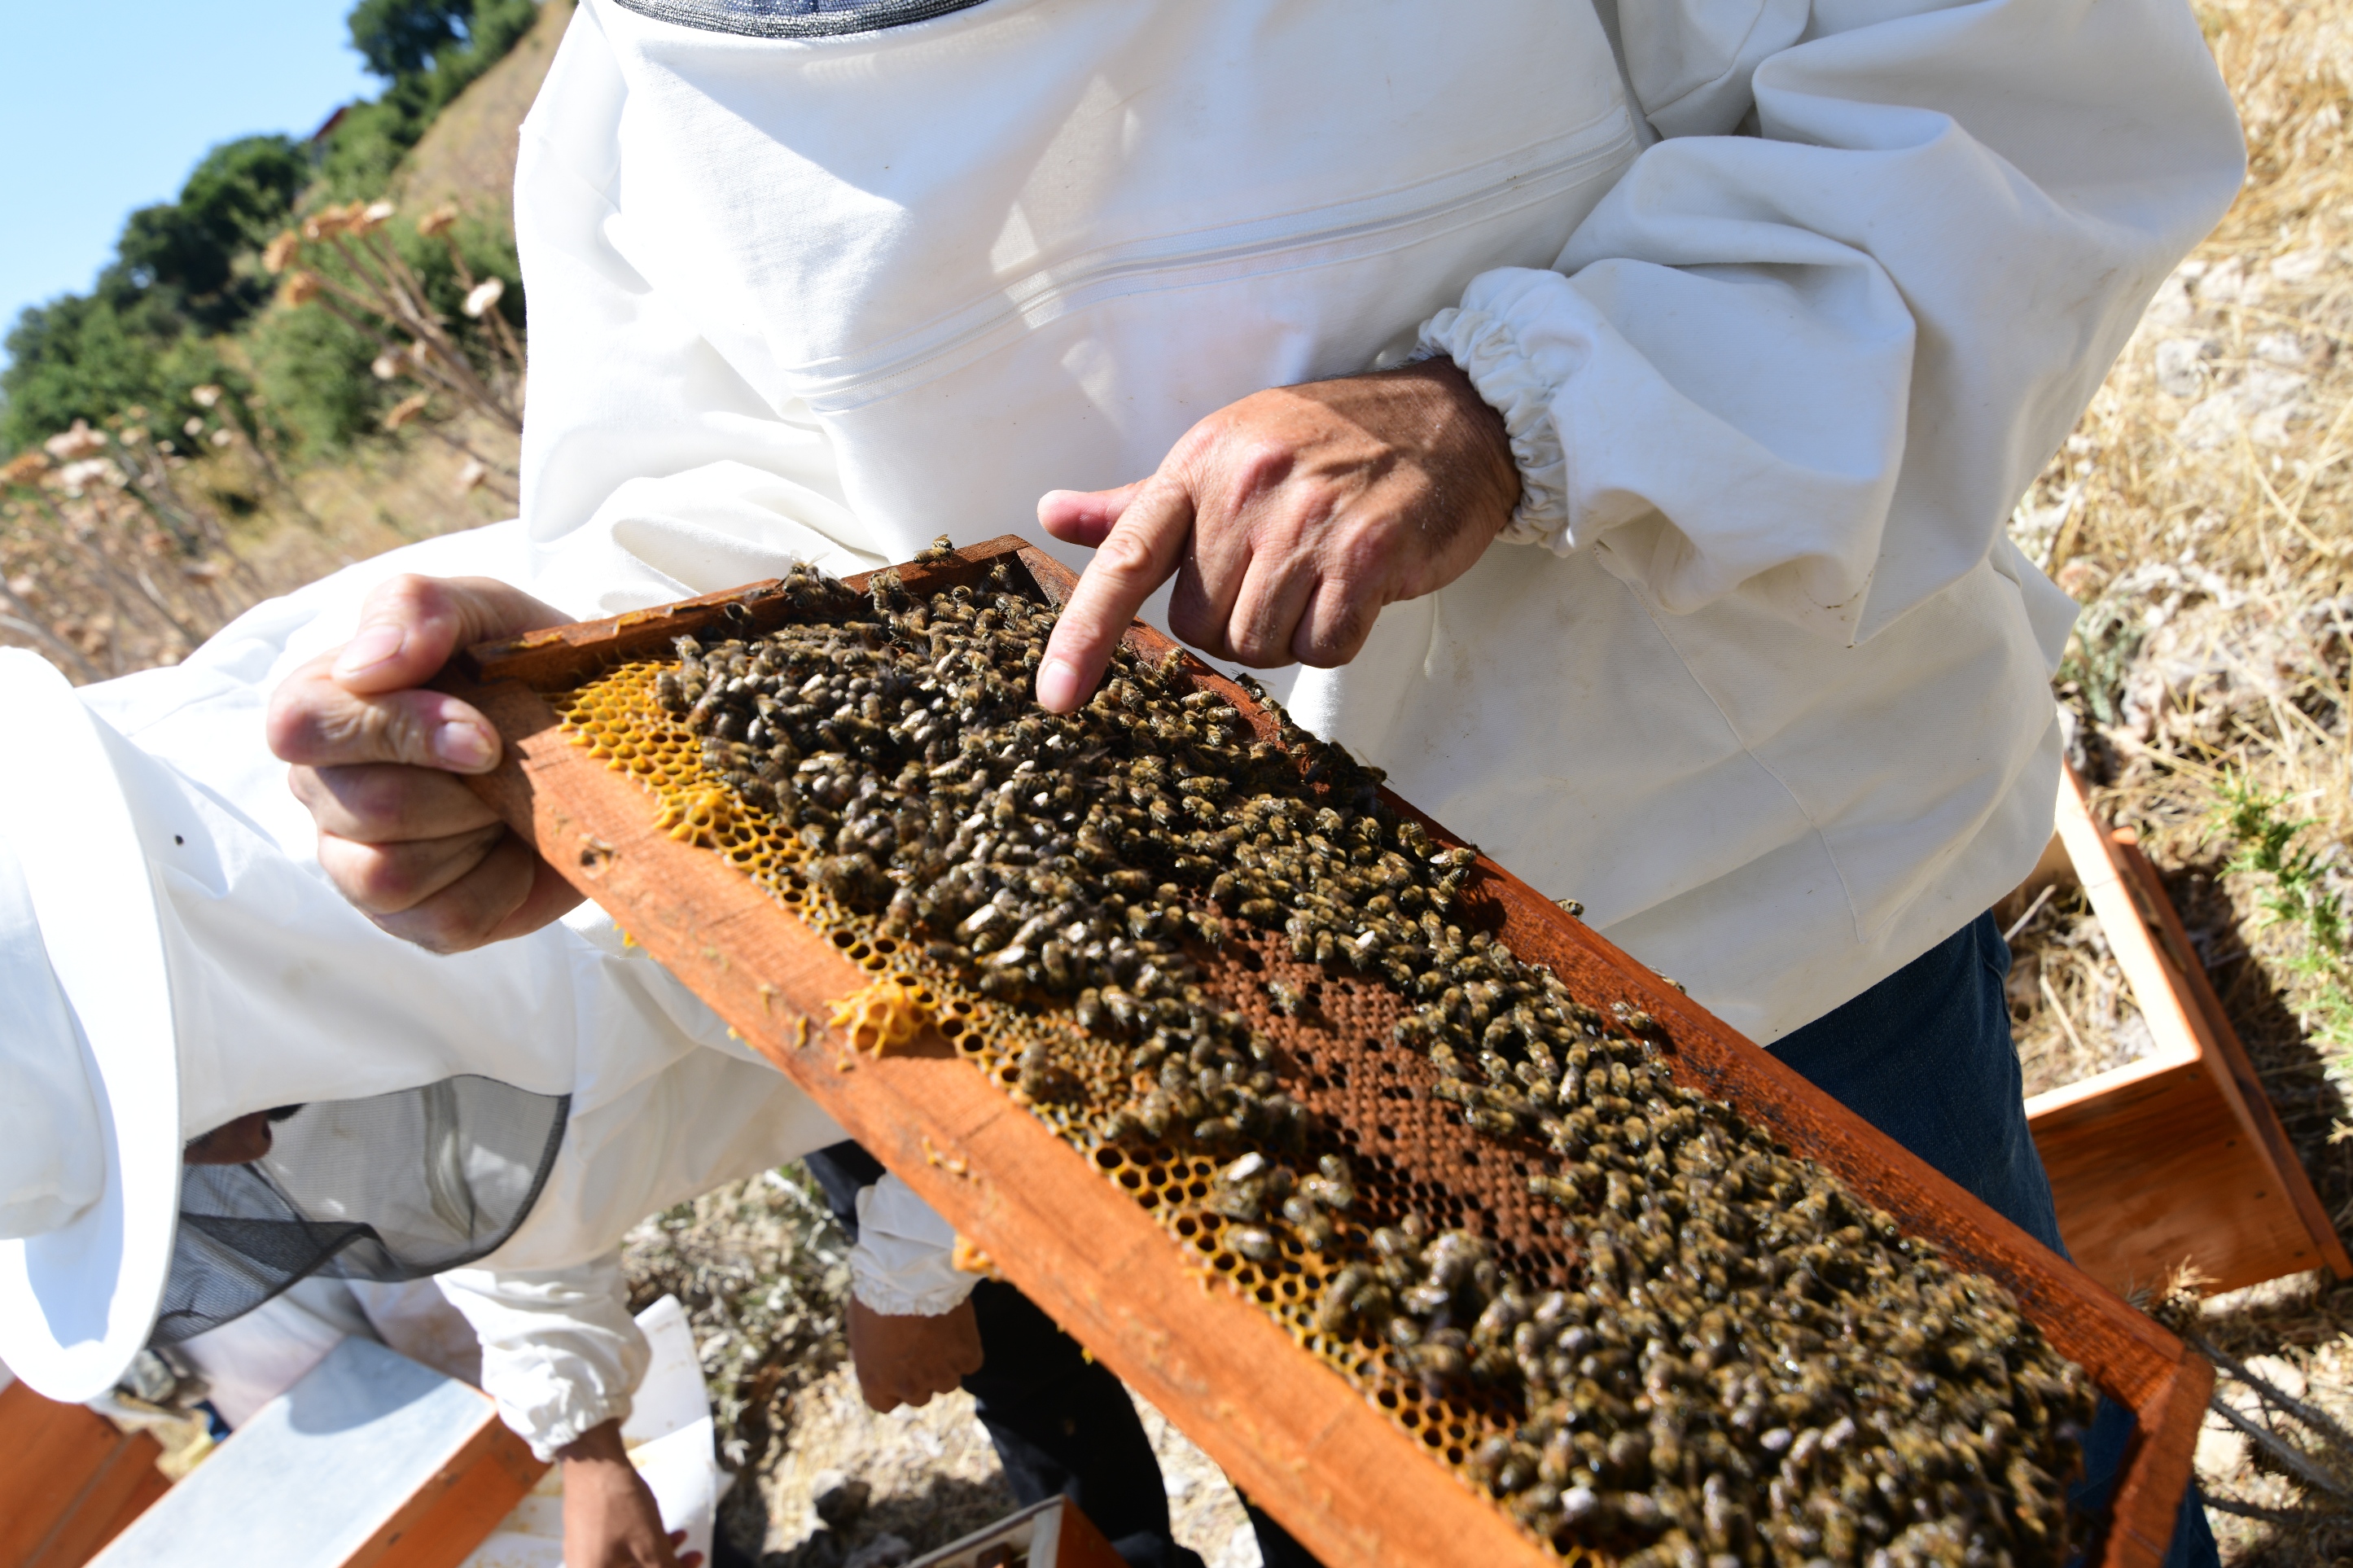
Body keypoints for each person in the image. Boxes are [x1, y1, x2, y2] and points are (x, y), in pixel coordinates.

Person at [256, 0, 2241, 1562]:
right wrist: (554, 701)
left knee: (1952, 1484)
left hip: (1768, 936)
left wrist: (1503, 403)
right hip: (1230, 1114)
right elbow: (741, 528)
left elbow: (1984, 95)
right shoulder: (638, 108)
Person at [0, 628, 985, 1568]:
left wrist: (911, 1270)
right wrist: (591, 1447)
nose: (234, 1153)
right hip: (826, 1068)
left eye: (185, 1130)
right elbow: (487, 1186)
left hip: (926, 1003)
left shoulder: (448, 831)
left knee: (1007, 1325)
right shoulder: (318, 1004)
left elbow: (974, 999)